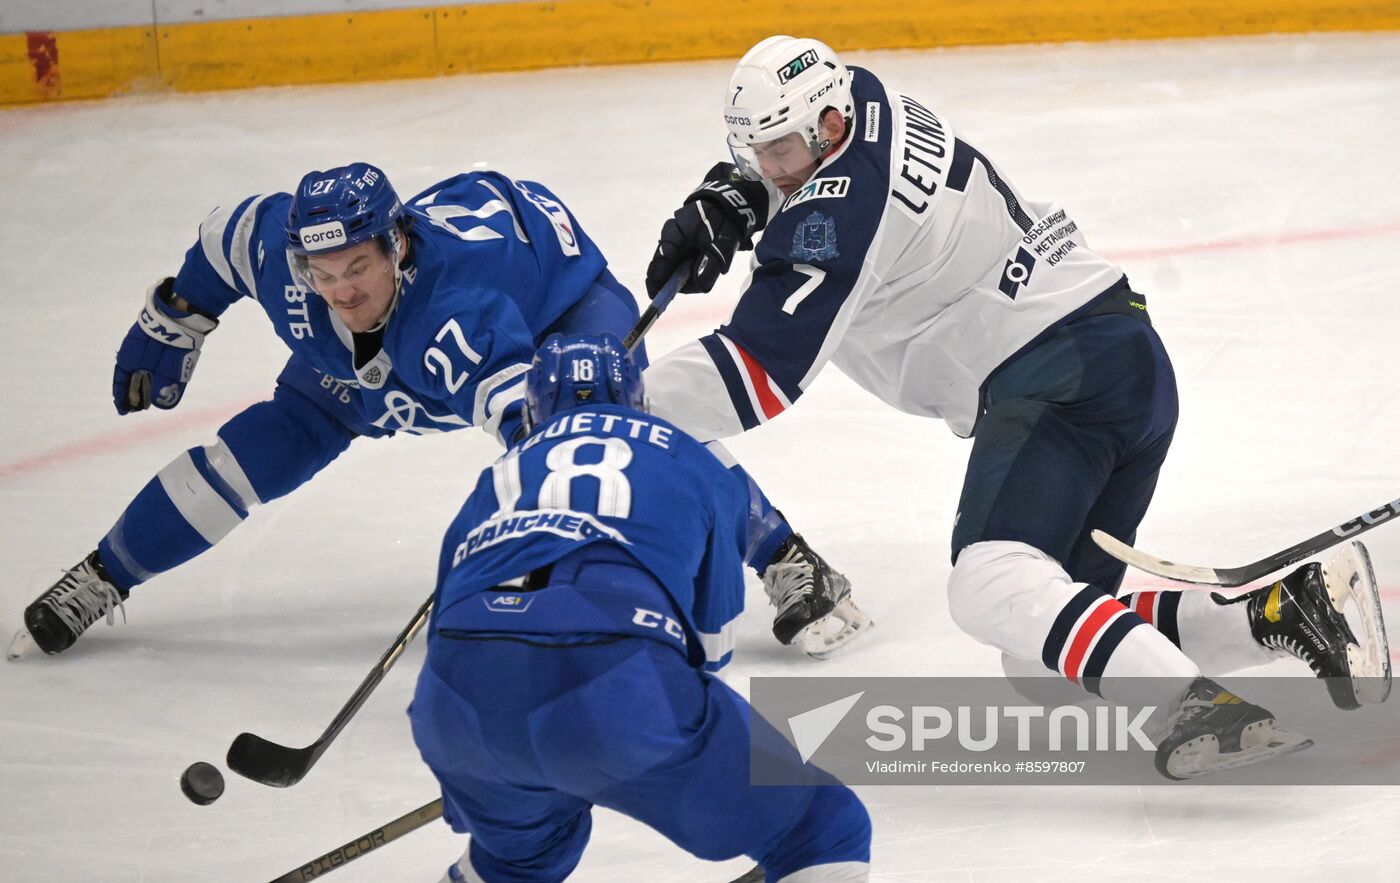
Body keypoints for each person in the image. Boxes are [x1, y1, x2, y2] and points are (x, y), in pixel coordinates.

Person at [639, 35, 1391, 778]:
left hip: (1059, 372)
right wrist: (748, 193)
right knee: (1039, 645)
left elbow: (755, 372)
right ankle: (1281, 612)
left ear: (827, 128)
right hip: (1119, 356)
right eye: (756, 151)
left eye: (779, 154)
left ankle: (1195, 709)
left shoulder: (837, 211)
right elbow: (810, 181)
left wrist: (615, 400)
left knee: (988, 581)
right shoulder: (856, 95)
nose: (769, 167)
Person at [7, 162, 857, 662]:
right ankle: (102, 575)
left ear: (398, 246)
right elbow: (223, 240)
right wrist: (176, 313)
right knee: (257, 450)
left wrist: (554, 492)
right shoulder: (283, 254)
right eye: (322, 272)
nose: (339, 290)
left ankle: (786, 554)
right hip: (384, 358)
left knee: (624, 434)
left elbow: (539, 439)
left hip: (559, 310)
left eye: (358, 268)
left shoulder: (459, 318)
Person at [408, 333, 872, 882]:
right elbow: (712, 644)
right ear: (640, 402)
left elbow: (447, 625)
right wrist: (613, 745)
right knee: (823, 827)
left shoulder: (500, 476)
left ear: (533, 411)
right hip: (618, 689)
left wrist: (478, 773)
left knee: (520, 858)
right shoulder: (692, 459)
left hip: (455, 706)